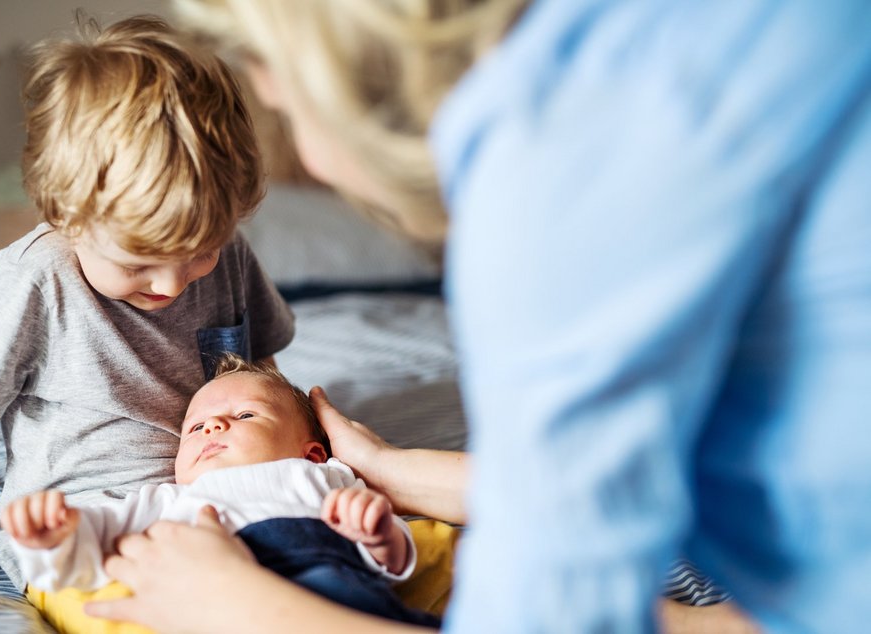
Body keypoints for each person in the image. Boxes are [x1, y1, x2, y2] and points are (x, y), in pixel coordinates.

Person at [86, 1, 871, 632]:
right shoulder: (673, 38)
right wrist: (388, 469)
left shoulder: (555, 162)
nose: (286, 119)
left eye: (269, 83)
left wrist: (241, 609)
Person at [0, 15, 295, 592]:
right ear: (66, 213)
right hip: (79, 529)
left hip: (219, 507)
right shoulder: (34, 280)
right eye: (137, 262)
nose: (173, 284)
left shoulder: (233, 252)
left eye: (201, 253)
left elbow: (262, 375)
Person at [0, 356, 440, 629]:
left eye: (245, 414)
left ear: (312, 453)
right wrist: (55, 538)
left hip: (342, 597)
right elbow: (96, 542)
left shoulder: (326, 477)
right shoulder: (170, 500)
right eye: (195, 427)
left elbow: (391, 564)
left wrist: (380, 534)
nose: (212, 426)